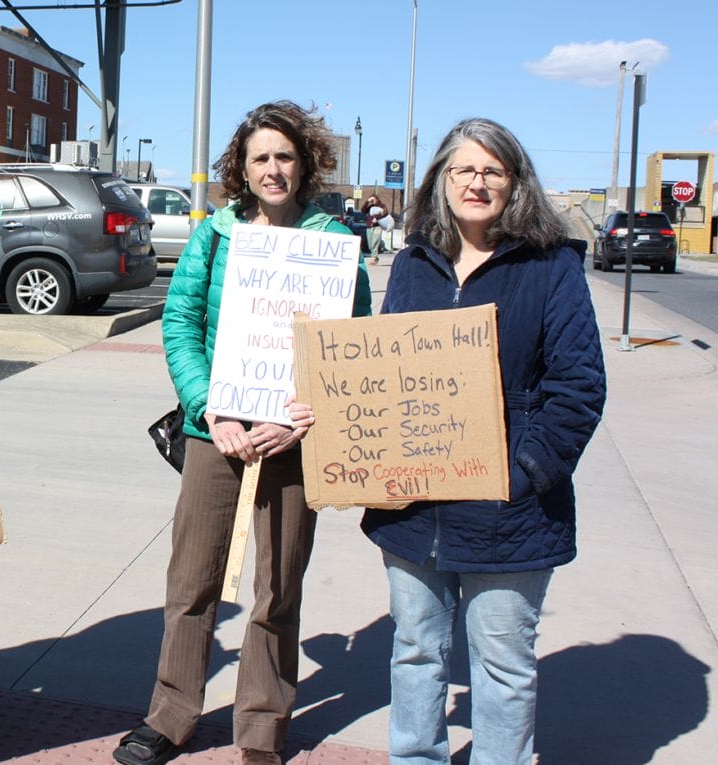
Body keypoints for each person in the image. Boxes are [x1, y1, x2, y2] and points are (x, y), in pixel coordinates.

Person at [113, 101, 373, 765]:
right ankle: (170, 713)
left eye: (285, 156)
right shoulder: (216, 235)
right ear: (242, 166)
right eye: (260, 157)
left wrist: (305, 415)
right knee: (193, 579)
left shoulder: (336, 244)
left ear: (305, 162)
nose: (273, 168)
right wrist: (214, 411)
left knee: (277, 588)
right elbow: (180, 326)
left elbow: (353, 346)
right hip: (215, 435)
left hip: (294, 440)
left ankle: (261, 726)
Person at [361, 117, 605, 764]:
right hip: (414, 508)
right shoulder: (414, 263)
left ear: (515, 183)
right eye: (464, 169)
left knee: (502, 664)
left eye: (492, 170)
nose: (477, 182)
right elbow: (386, 372)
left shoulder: (551, 267)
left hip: (510, 510)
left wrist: (524, 472)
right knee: (415, 649)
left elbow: (577, 388)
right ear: (442, 179)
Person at [361, 194, 391, 260]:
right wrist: (367, 202)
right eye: (371, 200)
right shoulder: (370, 206)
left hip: (377, 227)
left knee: (375, 242)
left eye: (373, 199)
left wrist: (377, 218)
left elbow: (385, 214)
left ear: (377, 199)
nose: (372, 201)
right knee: (370, 245)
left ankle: (374, 258)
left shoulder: (382, 206)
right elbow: (363, 211)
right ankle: (375, 257)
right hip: (369, 227)